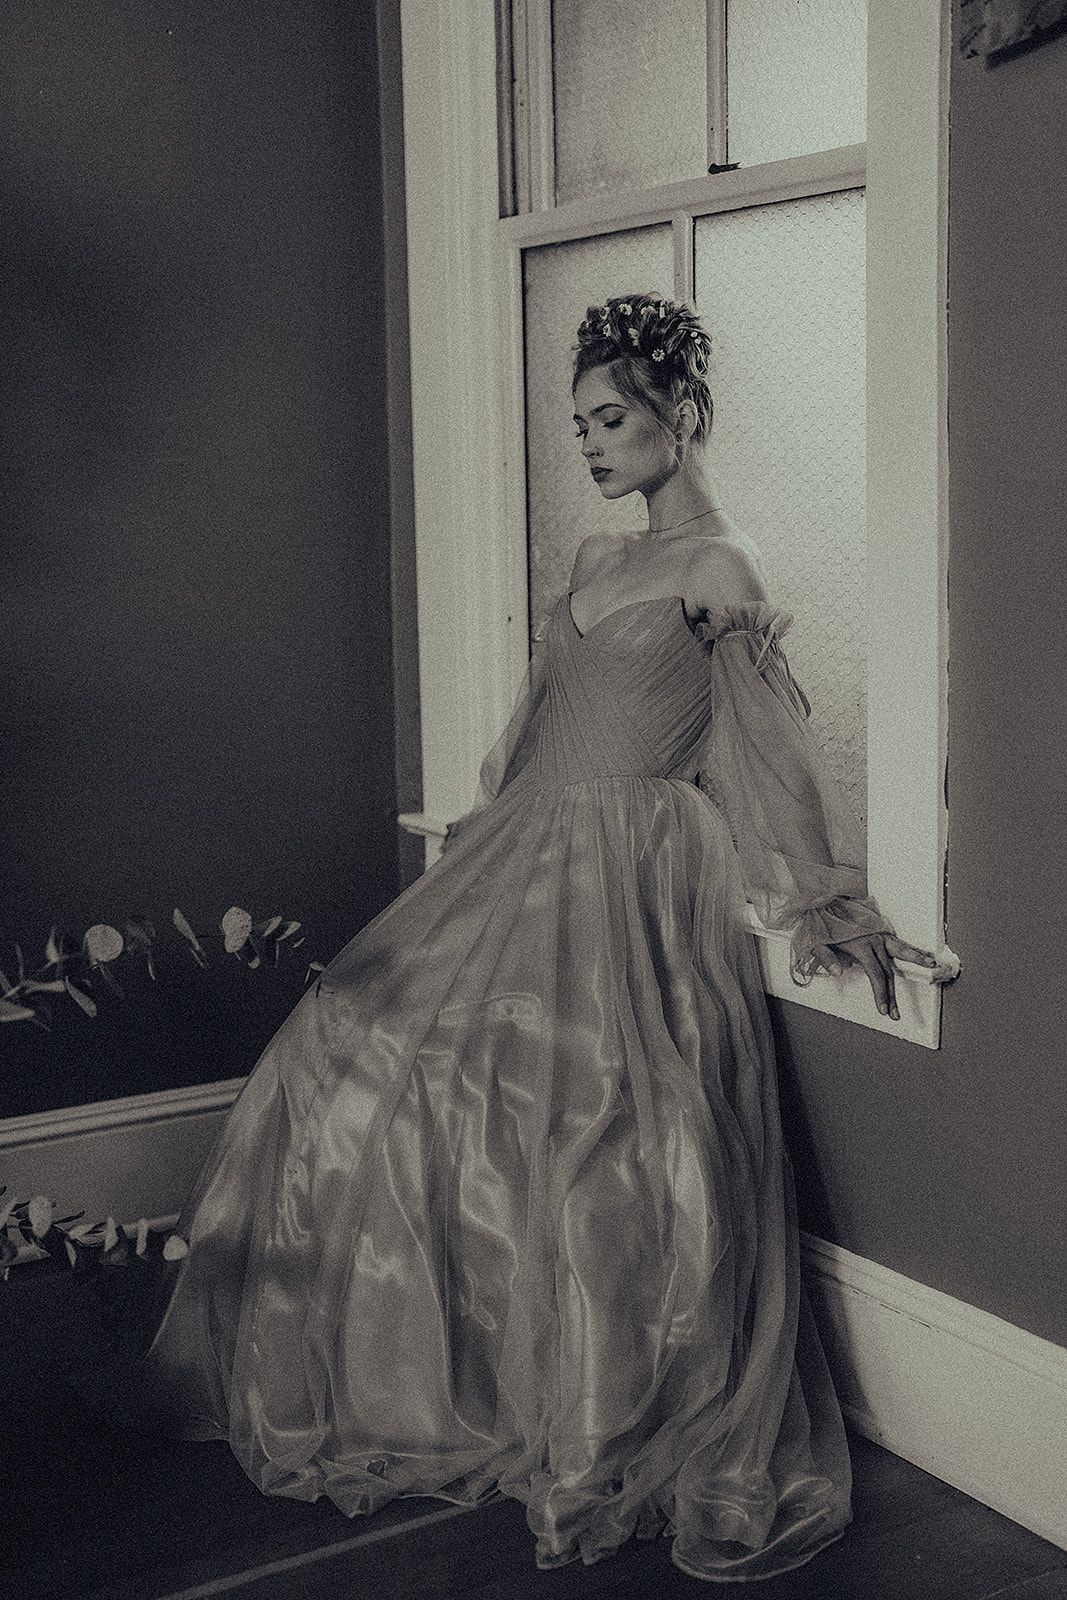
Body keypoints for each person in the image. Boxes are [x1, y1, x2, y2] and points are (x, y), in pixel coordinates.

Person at [144, 292, 949, 1582]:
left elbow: (772, 760)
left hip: (641, 869)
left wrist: (821, 893)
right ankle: (435, 1381)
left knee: (611, 1137)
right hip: (536, 846)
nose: (590, 445)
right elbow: (537, 723)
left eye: (611, 419)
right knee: (346, 1041)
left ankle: (592, 1409)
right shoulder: (591, 562)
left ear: (680, 416)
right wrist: (491, 826)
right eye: (580, 425)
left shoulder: (719, 574)